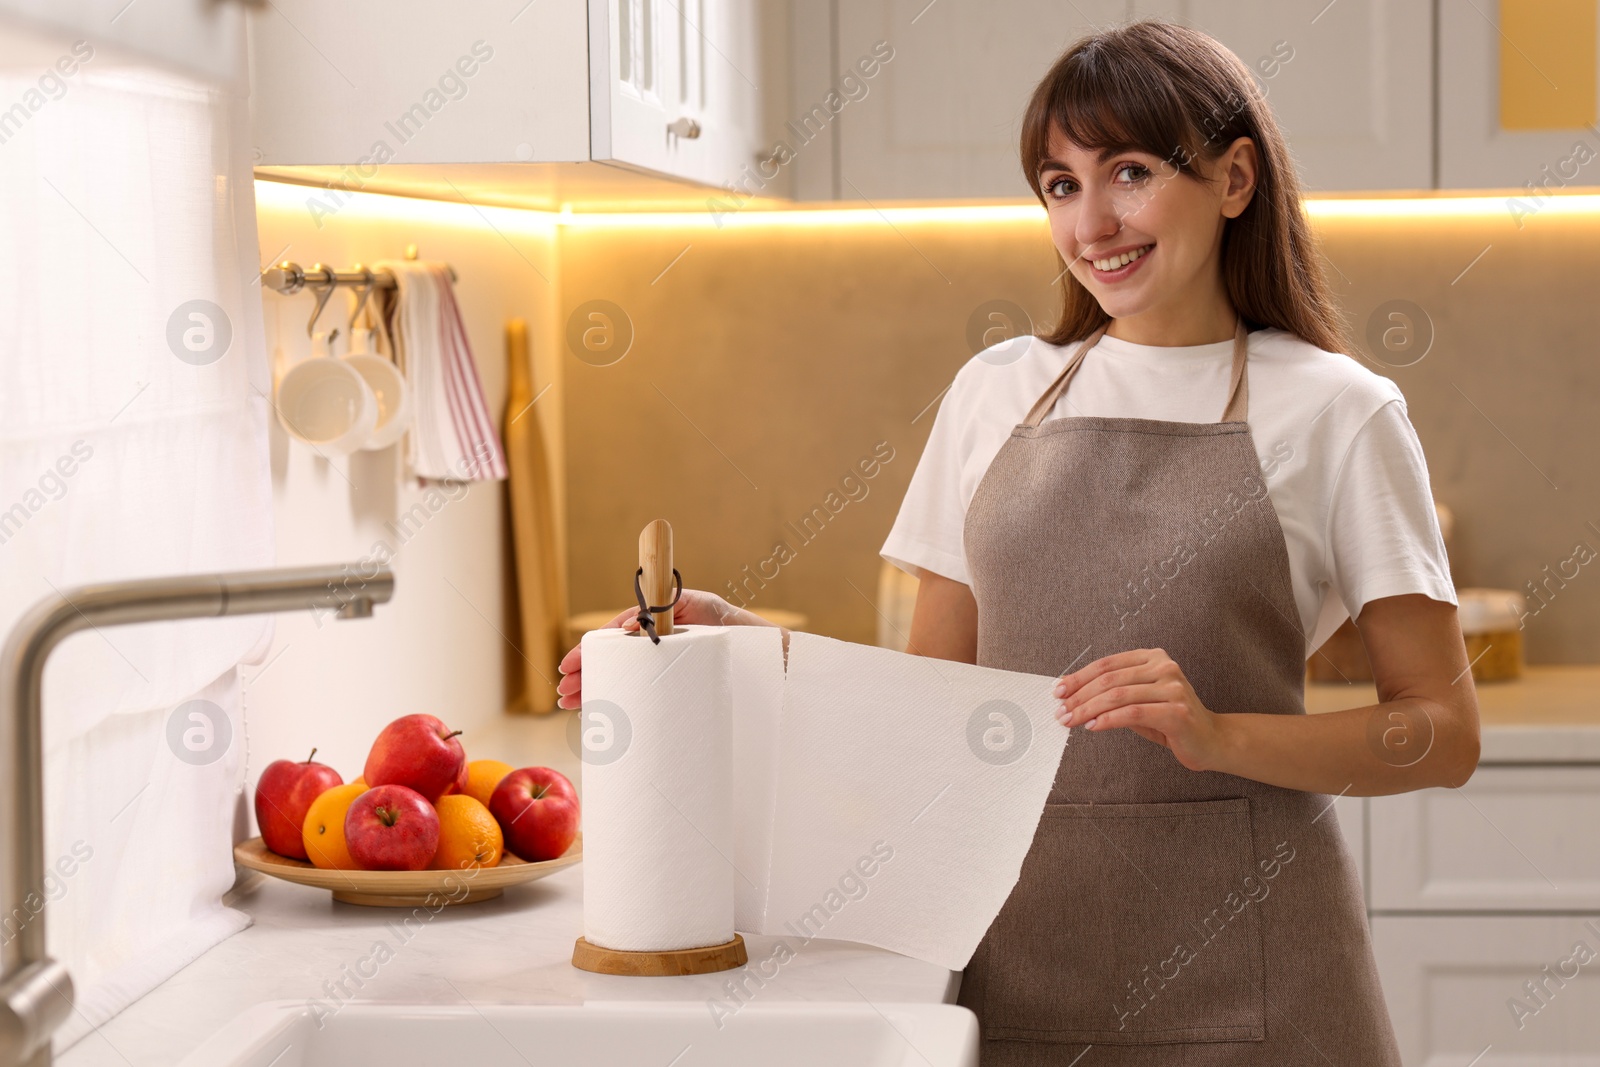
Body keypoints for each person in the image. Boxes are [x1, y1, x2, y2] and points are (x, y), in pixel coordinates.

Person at [558, 18, 1478, 1065]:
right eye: (1059, 183)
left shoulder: (1338, 410)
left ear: (1234, 180)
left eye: (1129, 171)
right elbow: (924, 710)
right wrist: (740, 646)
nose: (1092, 221)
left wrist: (1218, 734)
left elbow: (1440, 731)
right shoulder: (996, 392)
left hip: (1263, 967)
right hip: (1011, 951)